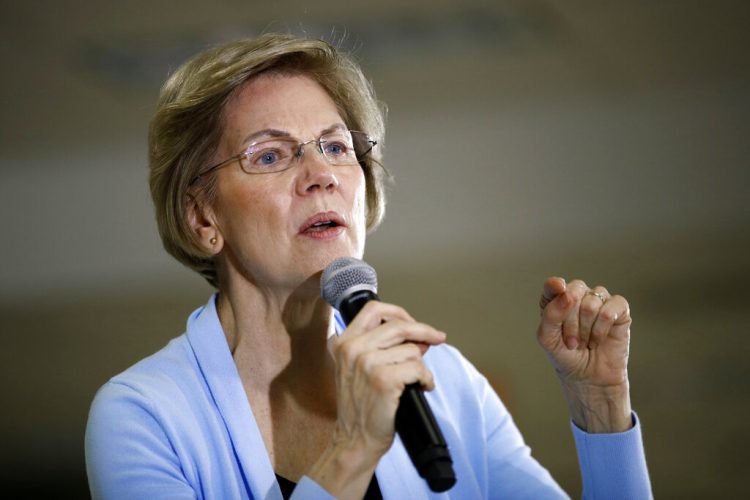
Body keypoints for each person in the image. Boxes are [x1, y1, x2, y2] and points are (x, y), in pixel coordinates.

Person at [85, 33, 652, 499]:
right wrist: (352, 449)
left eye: (335, 146)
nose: (322, 174)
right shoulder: (144, 415)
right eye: (271, 155)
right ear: (202, 215)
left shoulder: (441, 382)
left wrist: (599, 404)